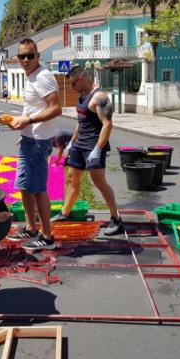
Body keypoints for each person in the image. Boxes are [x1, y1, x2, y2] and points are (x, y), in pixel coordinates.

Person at [52, 66, 124, 236]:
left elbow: (108, 124)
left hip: (93, 146)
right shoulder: (82, 95)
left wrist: (97, 150)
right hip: (79, 145)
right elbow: (81, 120)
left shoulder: (99, 98)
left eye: (73, 83)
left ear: (82, 78)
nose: (72, 87)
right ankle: (65, 213)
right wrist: (72, 141)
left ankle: (116, 219)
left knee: (99, 182)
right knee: (71, 178)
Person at [5, 38, 62, 251]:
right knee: (24, 187)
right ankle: (30, 228)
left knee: (38, 189)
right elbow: (31, 107)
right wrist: (20, 124)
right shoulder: (30, 78)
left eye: (30, 55)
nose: (26, 60)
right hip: (29, 139)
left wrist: (28, 121)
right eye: (22, 56)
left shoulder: (43, 77)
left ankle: (46, 236)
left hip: (39, 142)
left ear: (38, 56)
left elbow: (56, 109)